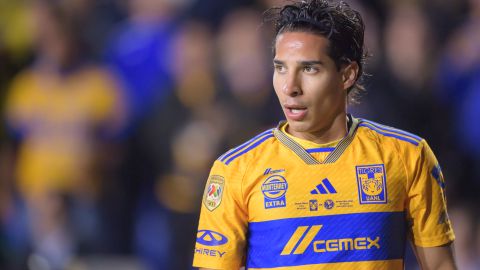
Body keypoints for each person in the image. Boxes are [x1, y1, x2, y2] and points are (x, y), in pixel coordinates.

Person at [192, 0, 457, 269]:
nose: (290, 87)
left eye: (309, 69)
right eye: (281, 68)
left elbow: (440, 265)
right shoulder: (235, 170)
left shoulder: (407, 156)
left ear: (347, 75)